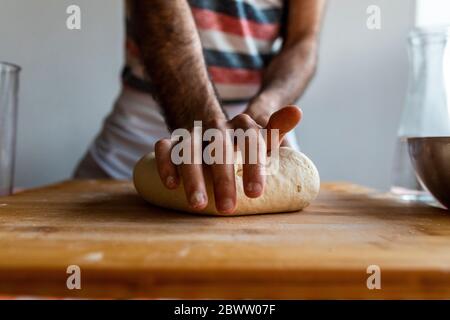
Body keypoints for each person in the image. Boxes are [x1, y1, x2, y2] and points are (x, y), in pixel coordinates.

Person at [75, 0, 326, 214]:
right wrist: (202, 124)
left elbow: (302, 41)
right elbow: (159, 14)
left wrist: (264, 113)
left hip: (258, 145)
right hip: (129, 150)